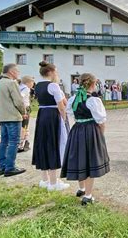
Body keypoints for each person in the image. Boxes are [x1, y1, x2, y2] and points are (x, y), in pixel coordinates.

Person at [61, 73, 110, 205]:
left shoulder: (73, 99)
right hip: (90, 131)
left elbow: (70, 113)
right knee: (89, 161)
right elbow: (101, 121)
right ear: (93, 84)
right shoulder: (94, 100)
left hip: (77, 130)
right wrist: (101, 135)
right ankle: (88, 196)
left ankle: (81, 188)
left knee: (79, 159)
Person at [32, 61, 70, 191]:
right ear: (51, 72)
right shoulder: (53, 86)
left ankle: (45, 179)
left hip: (42, 114)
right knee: (53, 144)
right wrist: (64, 119)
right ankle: (53, 183)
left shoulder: (37, 85)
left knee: (43, 143)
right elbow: (61, 106)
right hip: (52, 115)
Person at [0, 64, 27, 177]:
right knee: (13, 142)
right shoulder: (12, 83)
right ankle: (10, 167)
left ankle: (2, 166)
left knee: (4, 142)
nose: (18, 73)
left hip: (2, 116)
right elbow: (18, 101)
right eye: (17, 71)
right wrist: (23, 112)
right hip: (12, 116)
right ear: (11, 72)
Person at [18, 75, 34, 153]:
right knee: (24, 126)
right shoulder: (26, 89)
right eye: (32, 82)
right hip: (25, 108)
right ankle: (21, 144)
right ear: (28, 82)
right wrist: (24, 110)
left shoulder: (19, 87)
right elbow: (21, 98)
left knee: (22, 126)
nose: (33, 84)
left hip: (20, 108)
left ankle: (24, 142)